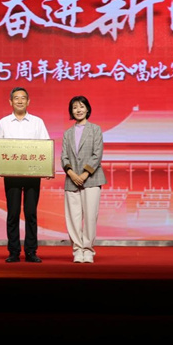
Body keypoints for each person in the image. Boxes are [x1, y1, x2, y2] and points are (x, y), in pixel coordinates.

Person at [0, 87, 50, 263]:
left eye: (23, 98)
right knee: (13, 213)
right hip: (11, 174)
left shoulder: (37, 122)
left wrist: (47, 167)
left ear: (28, 101)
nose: (19, 101)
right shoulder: (3, 123)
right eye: (16, 98)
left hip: (33, 174)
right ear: (10, 101)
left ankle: (31, 251)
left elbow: (45, 146)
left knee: (31, 213)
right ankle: (14, 251)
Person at [61, 95, 107, 264]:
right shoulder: (67, 133)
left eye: (81, 106)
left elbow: (97, 154)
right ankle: (77, 250)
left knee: (90, 216)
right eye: (74, 108)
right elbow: (64, 157)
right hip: (71, 180)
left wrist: (84, 174)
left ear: (87, 109)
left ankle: (88, 250)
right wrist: (72, 173)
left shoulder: (95, 129)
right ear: (71, 112)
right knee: (73, 217)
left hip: (92, 179)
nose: (78, 110)